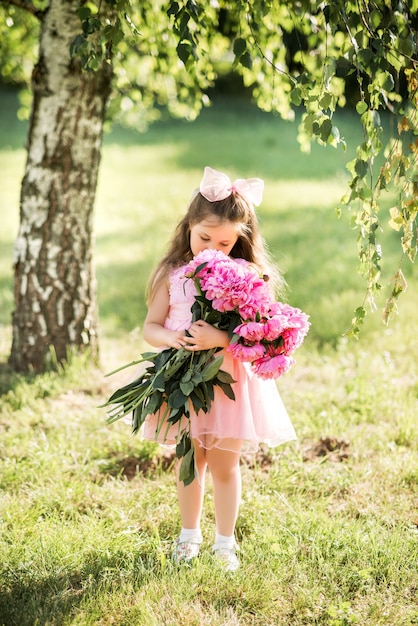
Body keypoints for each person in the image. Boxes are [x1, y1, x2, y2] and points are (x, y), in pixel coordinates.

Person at [142, 166, 297, 572]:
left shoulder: (247, 277)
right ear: (189, 227)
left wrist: (221, 340)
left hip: (230, 385)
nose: (213, 247)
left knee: (226, 464)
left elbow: (258, 340)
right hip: (186, 384)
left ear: (241, 239)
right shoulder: (172, 275)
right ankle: (188, 537)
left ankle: (225, 543)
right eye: (204, 237)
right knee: (191, 460)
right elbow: (150, 328)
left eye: (225, 242)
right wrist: (173, 339)